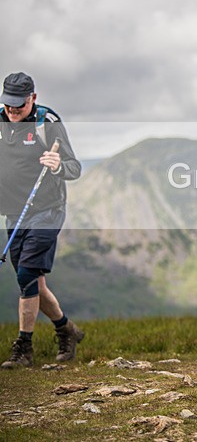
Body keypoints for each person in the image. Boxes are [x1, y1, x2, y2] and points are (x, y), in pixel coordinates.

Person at [0, 72, 84, 369]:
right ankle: (66, 330)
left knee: (25, 275)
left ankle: (24, 348)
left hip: (47, 209)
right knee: (33, 280)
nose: (12, 112)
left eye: (18, 107)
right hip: (14, 212)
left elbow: (74, 168)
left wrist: (59, 165)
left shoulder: (46, 123)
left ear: (32, 98)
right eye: (8, 106)